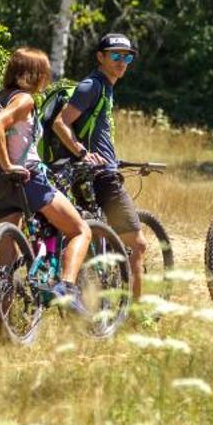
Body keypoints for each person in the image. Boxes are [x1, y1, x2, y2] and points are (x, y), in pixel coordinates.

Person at [0, 48, 90, 316]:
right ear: (35, 74)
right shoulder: (24, 100)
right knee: (80, 230)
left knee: (4, 267)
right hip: (27, 178)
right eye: (44, 72)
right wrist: (10, 165)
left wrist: (3, 168)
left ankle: (5, 327)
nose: (47, 78)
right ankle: (65, 287)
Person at [49, 32, 150, 298]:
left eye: (127, 57)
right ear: (100, 57)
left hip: (94, 172)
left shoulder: (106, 87)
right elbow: (61, 123)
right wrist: (83, 153)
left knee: (96, 237)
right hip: (100, 177)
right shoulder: (91, 85)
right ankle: (137, 316)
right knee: (138, 245)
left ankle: (93, 300)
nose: (122, 61)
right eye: (115, 55)